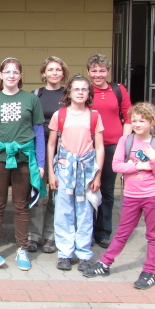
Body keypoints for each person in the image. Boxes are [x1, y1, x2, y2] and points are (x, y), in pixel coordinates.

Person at [83, 103, 155, 290]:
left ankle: (149, 272)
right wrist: (140, 166)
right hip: (131, 196)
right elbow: (116, 166)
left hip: (153, 196)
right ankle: (105, 263)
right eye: (134, 120)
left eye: (142, 121)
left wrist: (154, 159)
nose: (137, 124)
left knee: (153, 235)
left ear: (151, 122)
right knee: (122, 232)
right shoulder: (126, 141)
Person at [0, 57, 45, 271]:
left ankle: (22, 248)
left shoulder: (31, 99)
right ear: (0, 75)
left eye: (15, 72)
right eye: (7, 72)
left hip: (24, 159)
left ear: (21, 75)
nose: (11, 75)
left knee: (21, 205)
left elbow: (38, 132)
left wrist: (41, 163)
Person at [47, 75, 104, 272]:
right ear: (69, 92)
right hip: (64, 169)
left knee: (85, 212)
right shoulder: (60, 115)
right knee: (63, 211)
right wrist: (51, 172)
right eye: (76, 89)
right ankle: (64, 253)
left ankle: (83, 253)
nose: (80, 92)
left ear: (89, 93)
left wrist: (97, 174)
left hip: (86, 170)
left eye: (84, 89)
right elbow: (52, 144)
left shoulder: (94, 116)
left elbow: (99, 147)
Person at [86, 53, 131, 249]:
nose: (98, 74)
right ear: (88, 71)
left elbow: (128, 117)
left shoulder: (118, 89)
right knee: (87, 187)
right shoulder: (85, 90)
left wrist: (124, 142)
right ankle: (87, 230)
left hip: (113, 145)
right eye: (94, 70)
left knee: (107, 189)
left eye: (102, 70)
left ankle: (103, 231)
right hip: (88, 146)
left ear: (108, 71)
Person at [28, 56, 69, 254]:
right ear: (44, 73)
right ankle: (34, 235)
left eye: (58, 69)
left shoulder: (69, 95)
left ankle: (51, 236)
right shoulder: (36, 95)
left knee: (57, 195)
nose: (54, 73)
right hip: (39, 148)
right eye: (50, 69)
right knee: (38, 192)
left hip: (63, 149)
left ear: (63, 73)